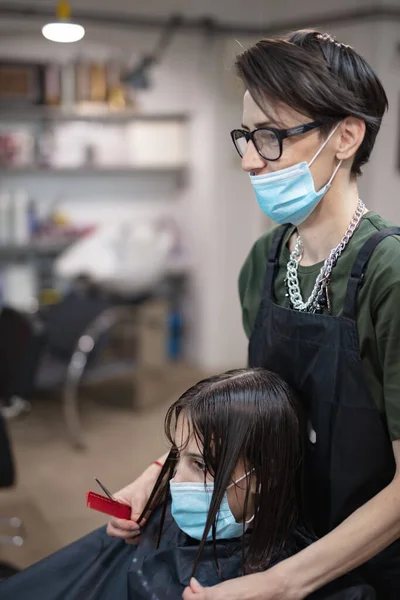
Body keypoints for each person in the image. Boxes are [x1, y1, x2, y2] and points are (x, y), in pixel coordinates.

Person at [107, 30, 400, 599]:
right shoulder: (264, 264)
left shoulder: (389, 275)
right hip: (277, 536)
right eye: (245, 136)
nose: (246, 160)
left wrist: (283, 585)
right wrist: (160, 476)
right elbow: (251, 422)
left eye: (270, 137)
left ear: (345, 136)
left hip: (366, 567)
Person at [0, 369, 375, 599]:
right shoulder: (158, 524)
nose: (176, 483)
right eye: (177, 457)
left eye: (199, 465)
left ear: (269, 473)